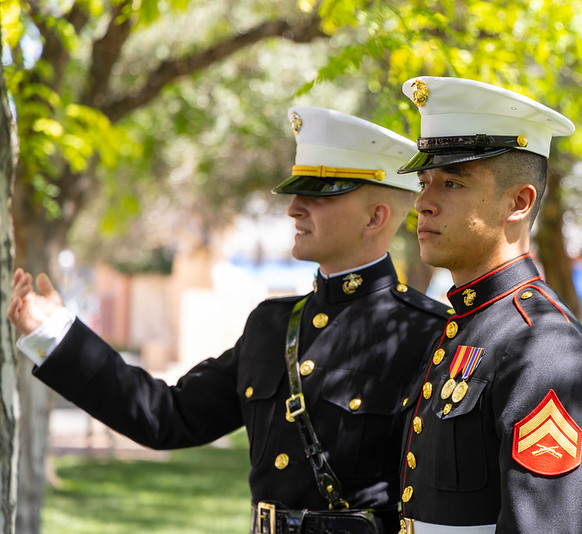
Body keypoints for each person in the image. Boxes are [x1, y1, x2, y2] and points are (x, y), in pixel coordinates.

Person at [7, 106, 451, 534]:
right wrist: (56, 336)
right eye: (298, 192)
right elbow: (168, 416)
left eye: (319, 194)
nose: (294, 208)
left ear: (376, 217)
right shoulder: (273, 325)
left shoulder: (429, 335)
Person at [394, 77, 582, 533]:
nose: (423, 203)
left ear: (519, 202)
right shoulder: (464, 326)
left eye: (451, 183)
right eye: (424, 182)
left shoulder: (543, 345)